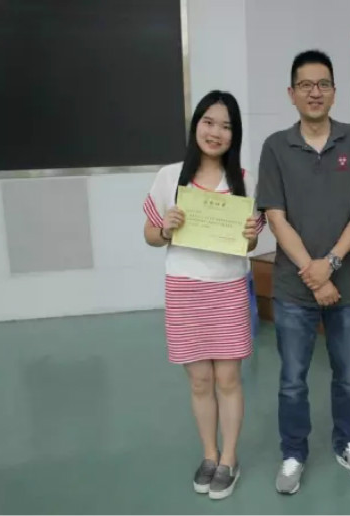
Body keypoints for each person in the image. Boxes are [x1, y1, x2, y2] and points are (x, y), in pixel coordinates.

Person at [255, 49, 350, 495]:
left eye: (323, 84)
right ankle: (293, 453)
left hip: (346, 286)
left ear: (334, 91)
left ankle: (348, 443)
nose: (315, 92)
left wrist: (329, 265)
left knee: (348, 375)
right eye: (306, 85)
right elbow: (275, 218)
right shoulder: (276, 147)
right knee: (293, 380)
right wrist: (313, 274)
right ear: (291, 93)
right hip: (293, 288)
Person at [142, 90, 264, 500]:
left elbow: (249, 245)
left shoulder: (244, 180)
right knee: (199, 381)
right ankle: (209, 455)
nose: (216, 132)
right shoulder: (170, 177)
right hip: (184, 288)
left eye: (226, 126)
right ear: (196, 125)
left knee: (228, 378)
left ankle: (229, 459)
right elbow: (150, 235)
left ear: (235, 134)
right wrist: (165, 228)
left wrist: (250, 236)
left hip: (229, 288)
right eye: (209, 122)